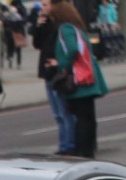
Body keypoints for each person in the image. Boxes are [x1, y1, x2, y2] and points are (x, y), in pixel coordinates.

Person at [46, 0, 108, 158]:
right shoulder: (77, 28)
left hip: (78, 82)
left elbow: (72, 48)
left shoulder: (65, 29)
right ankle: (89, 149)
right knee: (88, 117)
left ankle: (82, 151)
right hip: (88, 79)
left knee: (80, 118)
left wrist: (62, 64)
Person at [33, 0, 75, 154]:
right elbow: (37, 44)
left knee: (65, 112)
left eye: (45, 5)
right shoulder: (46, 24)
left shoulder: (61, 26)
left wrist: (59, 61)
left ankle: (68, 145)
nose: (42, 8)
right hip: (47, 73)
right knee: (57, 114)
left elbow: (68, 48)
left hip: (58, 73)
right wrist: (38, 25)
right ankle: (63, 144)